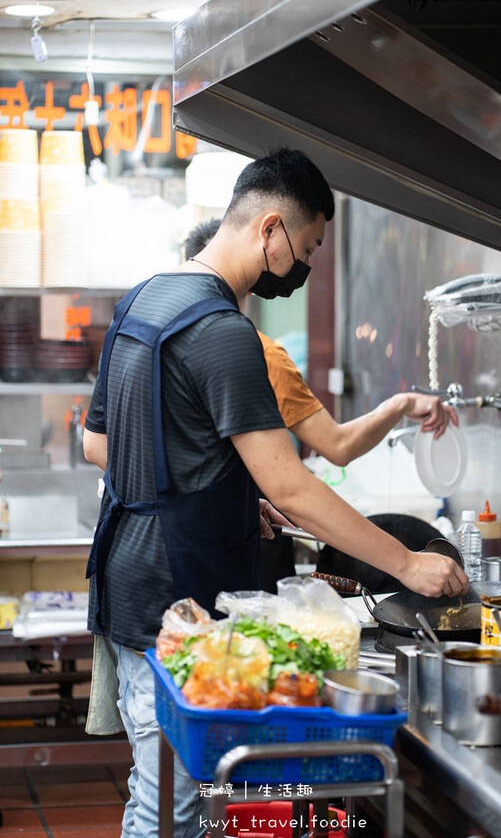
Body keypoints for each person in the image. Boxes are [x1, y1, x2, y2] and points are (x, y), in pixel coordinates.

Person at [83, 148, 468, 838]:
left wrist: (223, 493)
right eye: (307, 246)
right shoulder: (224, 333)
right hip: (173, 592)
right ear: (270, 230)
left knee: (165, 788)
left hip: (128, 575)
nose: (303, 265)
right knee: (173, 806)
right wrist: (408, 564)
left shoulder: (142, 300)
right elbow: (292, 486)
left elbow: (109, 444)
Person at [183, 218, 459, 590]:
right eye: (308, 249)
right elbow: (334, 450)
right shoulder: (258, 353)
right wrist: (407, 564)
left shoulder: (166, 344)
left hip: (183, 553)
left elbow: (98, 446)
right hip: (249, 549)